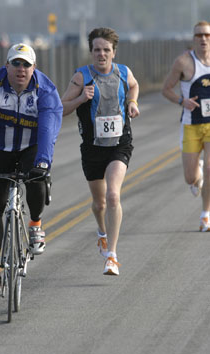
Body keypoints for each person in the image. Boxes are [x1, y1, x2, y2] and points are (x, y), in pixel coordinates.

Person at [0, 43, 63, 295]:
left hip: (30, 148)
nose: (21, 69)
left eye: (26, 64)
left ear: (34, 68)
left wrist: (43, 163)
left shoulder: (46, 91)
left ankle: (35, 224)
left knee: (37, 181)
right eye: (16, 63)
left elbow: (48, 129)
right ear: (6, 66)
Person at [61, 27, 140, 276]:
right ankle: (102, 233)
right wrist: (81, 99)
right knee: (99, 203)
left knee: (113, 196)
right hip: (93, 149)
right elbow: (61, 108)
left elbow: (134, 86)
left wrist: (132, 102)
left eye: (106, 50)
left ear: (114, 52)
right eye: (97, 50)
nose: (101, 54)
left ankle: (112, 256)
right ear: (91, 52)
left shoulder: (124, 72)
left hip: (120, 144)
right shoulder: (81, 77)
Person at [162, 21, 210, 232]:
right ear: (193, 39)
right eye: (199, 35)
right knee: (190, 177)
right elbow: (166, 89)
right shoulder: (183, 62)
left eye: (207, 35)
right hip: (191, 124)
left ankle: (205, 214)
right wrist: (183, 101)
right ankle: (196, 174)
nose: (203, 39)